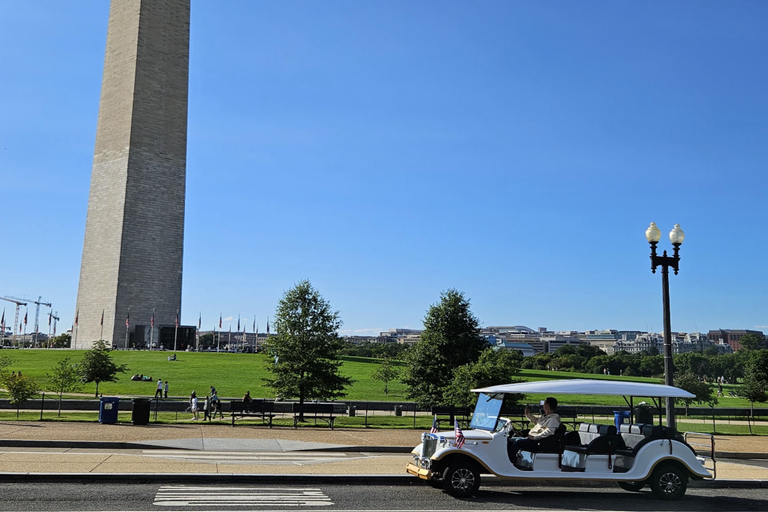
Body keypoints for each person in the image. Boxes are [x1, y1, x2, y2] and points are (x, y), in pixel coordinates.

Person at [508, 397, 561, 463]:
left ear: (547, 405)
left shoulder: (553, 419)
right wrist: (528, 415)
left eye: (544, 403)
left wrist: (534, 438)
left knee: (518, 442)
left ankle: (509, 462)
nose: (543, 405)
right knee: (510, 440)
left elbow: (549, 432)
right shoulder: (545, 417)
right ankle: (511, 460)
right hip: (532, 438)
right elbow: (537, 422)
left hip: (537, 442)